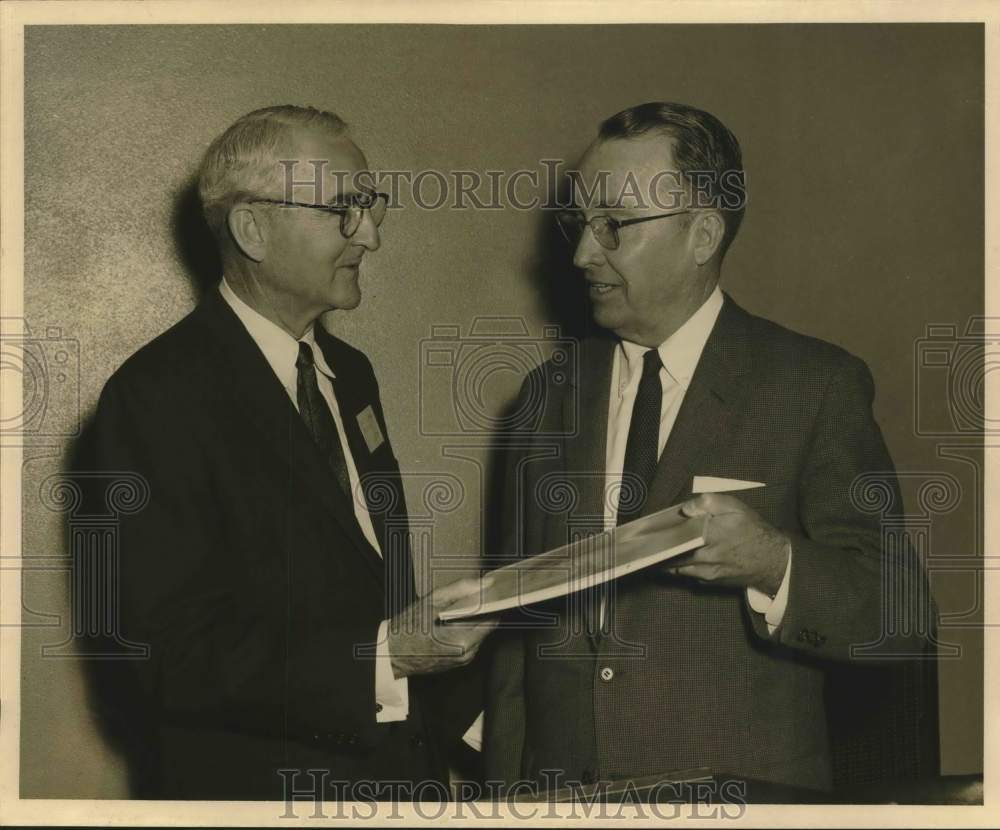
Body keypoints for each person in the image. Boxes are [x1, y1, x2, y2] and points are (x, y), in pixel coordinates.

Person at [484, 101, 934, 797]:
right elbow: (517, 645)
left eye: (614, 226)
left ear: (701, 234)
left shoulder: (814, 387)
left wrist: (775, 564)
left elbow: (900, 620)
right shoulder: (544, 400)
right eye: (579, 223)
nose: (581, 253)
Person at [74, 105, 493, 800]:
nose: (373, 234)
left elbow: (369, 591)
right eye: (347, 209)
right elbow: (168, 656)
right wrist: (385, 655)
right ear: (252, 228)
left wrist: (491, 721)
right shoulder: (155, 396)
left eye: (371, 205)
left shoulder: (350, 375)